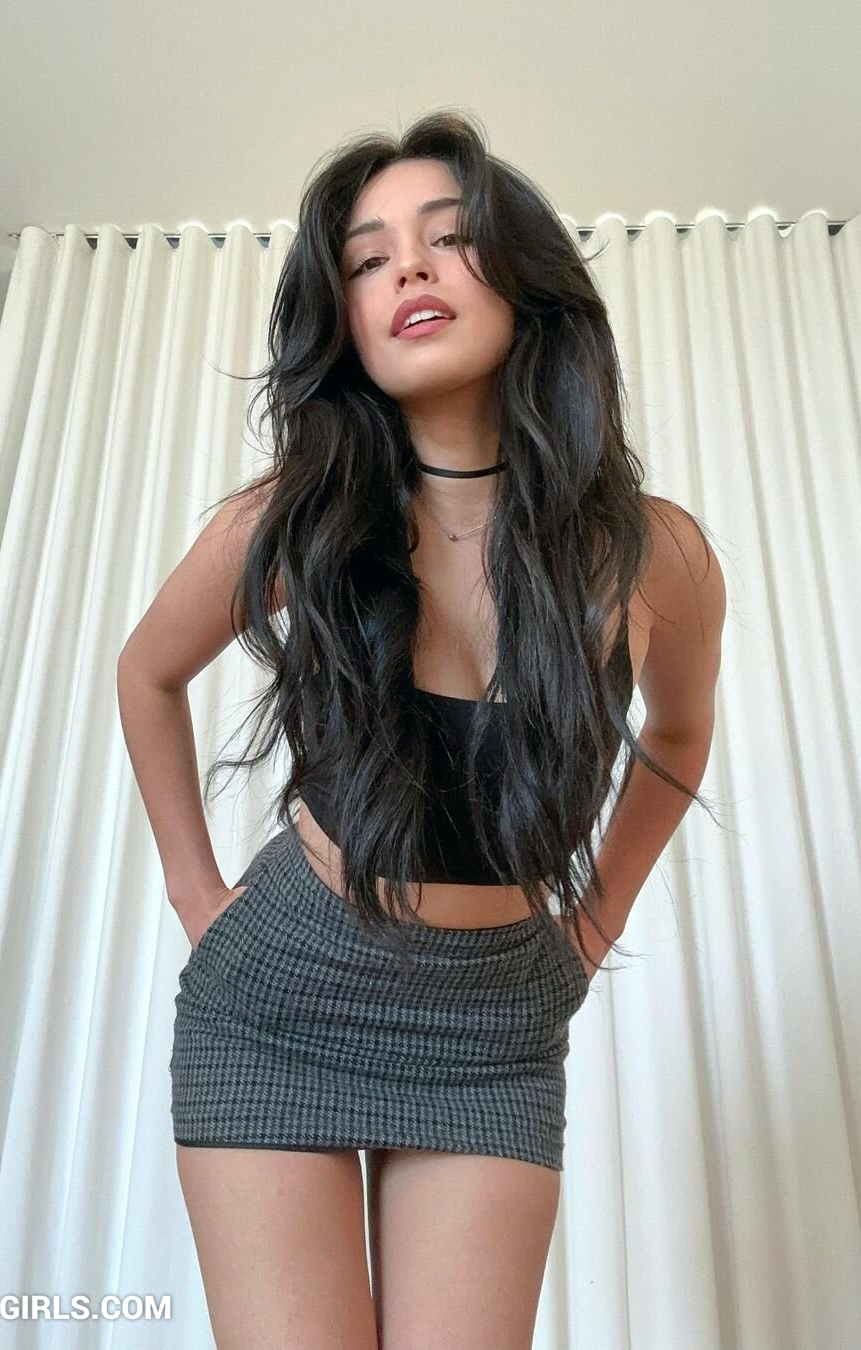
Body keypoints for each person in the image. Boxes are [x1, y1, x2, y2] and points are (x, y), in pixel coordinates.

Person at [117, 109, 726, 1350]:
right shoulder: (289, 519)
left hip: (495, 1027)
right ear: (345, 317)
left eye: (447, 237)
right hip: (277, 995)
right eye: (367, 256)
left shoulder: (654, 552)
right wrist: (195, 895)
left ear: (526, 277)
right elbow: (147, 673)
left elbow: (677, 740)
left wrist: (594, 923)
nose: (407, 267)